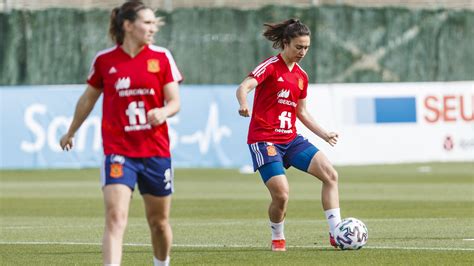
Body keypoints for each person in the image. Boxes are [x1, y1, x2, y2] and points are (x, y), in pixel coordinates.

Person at [59, 1, 182, 265]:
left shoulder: (161, 57)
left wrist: (163, 112)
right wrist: (71, 131)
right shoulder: (105, 61)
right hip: (118, 152)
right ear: (128, 25)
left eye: (154, 23)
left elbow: (175, 101)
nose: (153, 28)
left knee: (159, 223)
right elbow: (87, 100)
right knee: (115, 218)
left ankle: (161, 262)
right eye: (147, 23)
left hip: (155, 152)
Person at [236, 18, 341, 251]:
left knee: (331, 175)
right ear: (286, 43)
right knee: (282, 195)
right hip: (264, 139)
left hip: (291, 140)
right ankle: (277, 236)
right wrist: (244, 103)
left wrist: (323, 134)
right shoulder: (270, 67)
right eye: (298, 47)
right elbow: (243, 86)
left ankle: (337, 234)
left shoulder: (302, 76)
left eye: (306, 48)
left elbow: (301, 112)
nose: (303, 52)